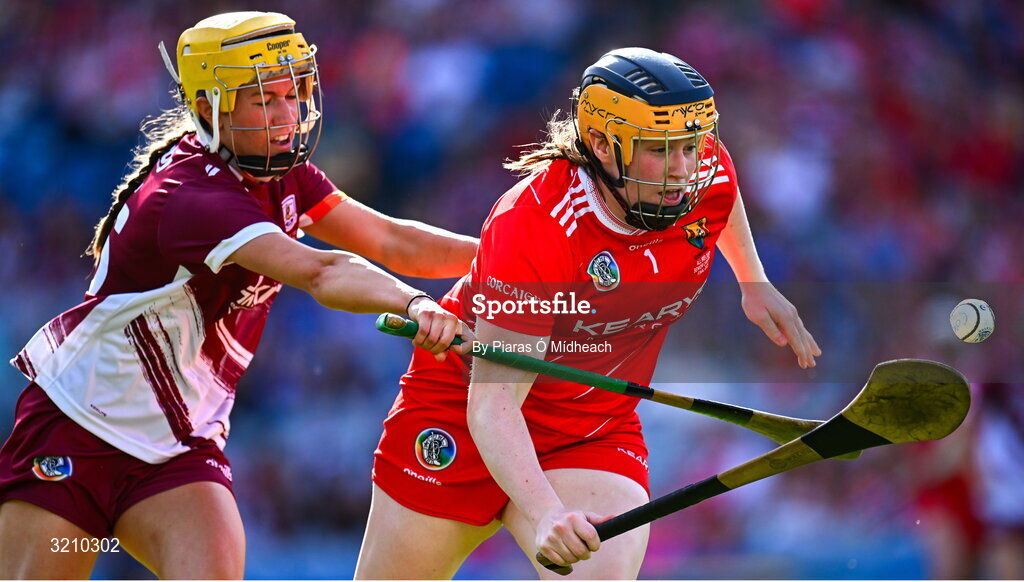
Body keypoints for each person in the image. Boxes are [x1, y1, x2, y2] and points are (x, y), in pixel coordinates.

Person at [0, 11, 476, 579]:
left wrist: (511, 254)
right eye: (264, 100)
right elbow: (321, 271)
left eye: (292, 95)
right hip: (75, 433)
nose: (286, 116)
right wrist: (415, 303)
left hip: (177, 450)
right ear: (210, 109)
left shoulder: (279, 172)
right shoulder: (192, 196)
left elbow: (392, 241)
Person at [356, 47, 820, 579]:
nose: (684, 170)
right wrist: (545, 512)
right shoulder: (535, 225)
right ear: (601, 145)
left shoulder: (699, 168)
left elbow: (721, 191)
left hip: (591, 429)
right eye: (660, 151)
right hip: (461, 413)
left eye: (691, 147)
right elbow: (494, 404)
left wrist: (753, 281)